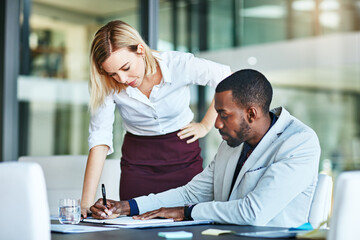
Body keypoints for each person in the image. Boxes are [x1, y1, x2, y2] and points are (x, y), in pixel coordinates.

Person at [89, 69, 321, 228]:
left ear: (251, 113)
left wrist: (186, 212)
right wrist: (126, 206)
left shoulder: (299, 142)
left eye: (223, 115)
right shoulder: (232, 144)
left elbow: (254, 213)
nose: (216, 124)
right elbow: (191, 193)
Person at [81, 20, 232, 218]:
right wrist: (85, 202)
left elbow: (226, 78)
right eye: (113, 74)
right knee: (136, 226)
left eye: (126, 68)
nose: (122, 79)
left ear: (140, 50)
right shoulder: (108, 83)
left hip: (182, 154)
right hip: (138, 162)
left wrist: (205, 125)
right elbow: (99, 139)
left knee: (188, 223)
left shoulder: (179, 64)